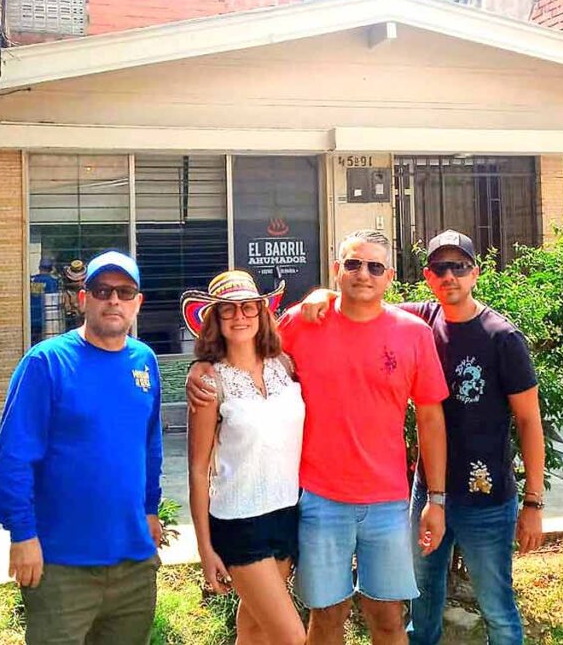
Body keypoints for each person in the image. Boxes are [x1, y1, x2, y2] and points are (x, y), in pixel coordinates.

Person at [188, 229, 449, 645]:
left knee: (388, 620)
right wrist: (200, 371)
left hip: (386, 502)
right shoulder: (302, 323)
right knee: (325, 618)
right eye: (353, 263)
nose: (363, 273)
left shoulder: (413, 333)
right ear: (336, 269)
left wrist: (436, 498)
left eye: (375, 266)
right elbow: (243, 349)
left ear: (390, 277)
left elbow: (431, 419)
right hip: (317, 501)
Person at [301, 230, 546, 645]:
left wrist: (534, 501)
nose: (449, 276)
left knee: (497, 607)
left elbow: (529, 422)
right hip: (427, 493)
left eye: (460, 267)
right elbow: (364, 300)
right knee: (421, 602)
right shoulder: (422, 320)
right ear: (427, 276)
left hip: (486, 496)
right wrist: (322, 294)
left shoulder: (501, 337)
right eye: (439, 268)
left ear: (476, 273)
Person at [0, 251, 164, 645]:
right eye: (103, 290)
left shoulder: (145, 361)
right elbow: (14, 456)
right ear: (83, 299)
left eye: (125, 291)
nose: (114, 300)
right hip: (61, 566)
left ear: (138, 303)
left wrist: (151, 508)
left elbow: (150, 443)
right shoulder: (47, 363)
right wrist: (21, 534)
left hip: (133, 564)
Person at [180, 270, 306, 645]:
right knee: (292, 637)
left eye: (248, 307)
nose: (240, 316)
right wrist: (204, 549)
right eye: (228, 310)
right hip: (239, 522)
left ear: (262, 312)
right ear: (215, 321)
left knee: (253, 629)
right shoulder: (208, 379)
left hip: (287, 513)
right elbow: (198, 470)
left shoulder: (285, 366)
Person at [29, 257, 59, 344]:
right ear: (51, 269)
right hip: (45, 319)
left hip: (31, 317)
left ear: (40, 267)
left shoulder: (32, 280)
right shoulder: (52, 282)